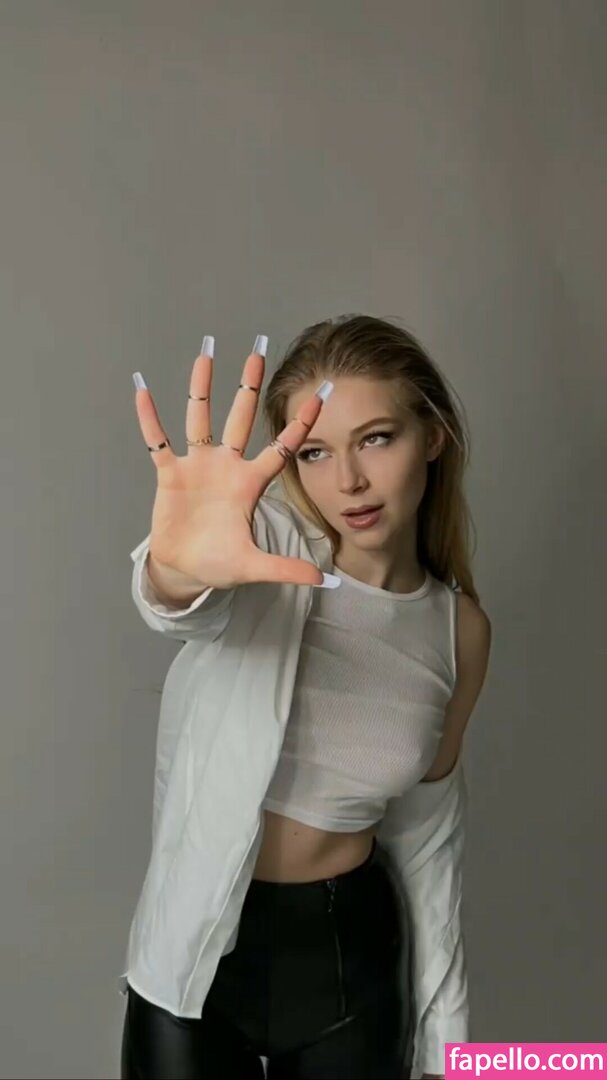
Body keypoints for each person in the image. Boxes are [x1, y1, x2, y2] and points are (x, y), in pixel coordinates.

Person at [119, 314, 492, 1080]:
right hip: (195, 952)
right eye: (315, 452)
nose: (347, 481)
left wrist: (452, 1053)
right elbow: (180, 604)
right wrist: (175, 570)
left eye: (375, 439)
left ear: (432, 436)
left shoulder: (459, 631)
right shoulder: (266, 548)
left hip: (350, 962)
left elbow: (428, 843)